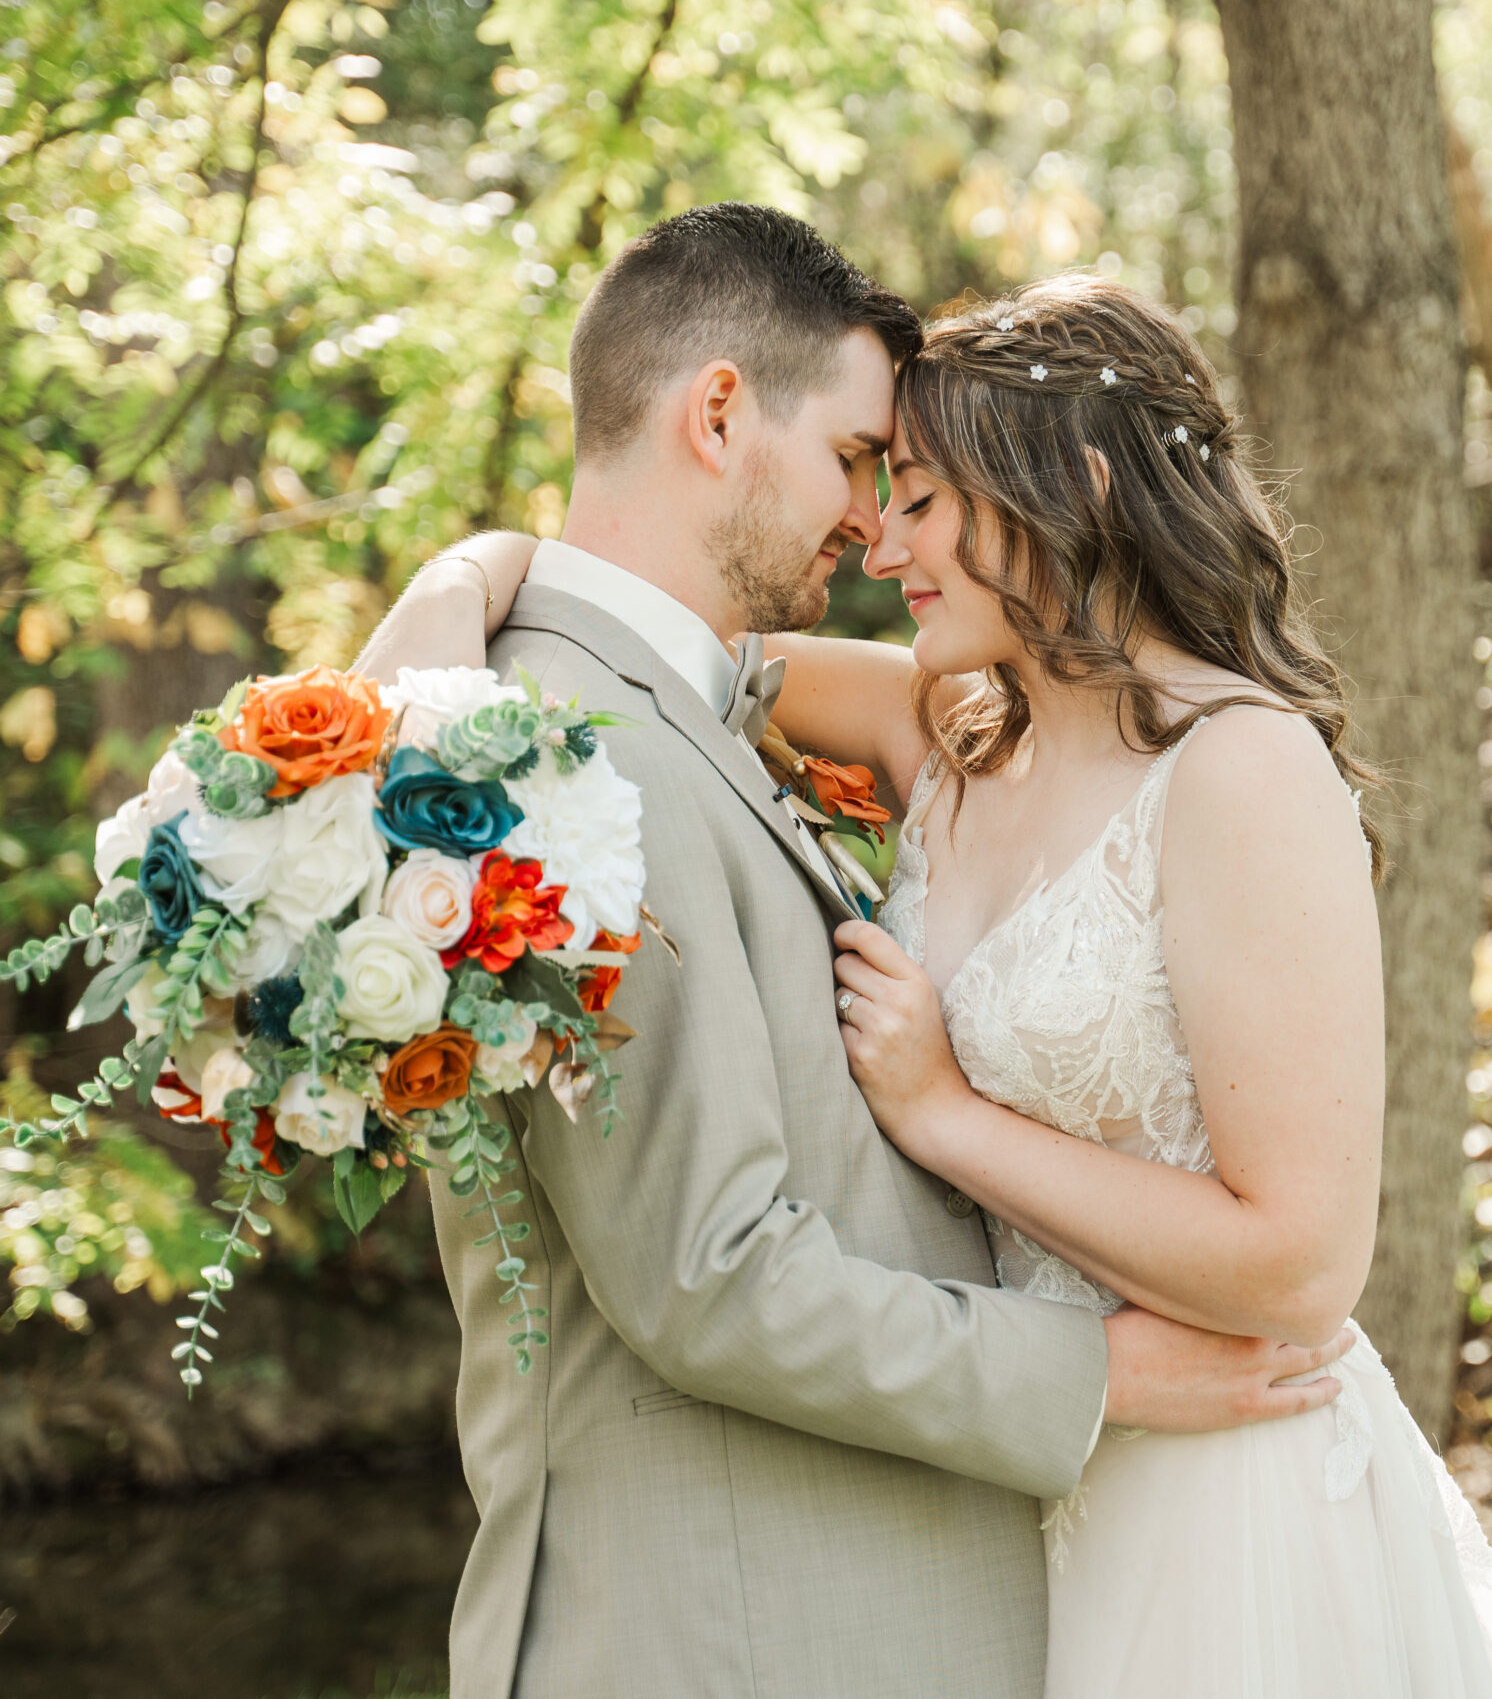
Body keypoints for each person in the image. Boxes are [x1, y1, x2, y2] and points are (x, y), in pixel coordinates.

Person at [358, 204, 1354, 1699]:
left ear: (1065, 496)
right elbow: (707, 1273)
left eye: (919, 495)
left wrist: (492, 580)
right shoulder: (576, 754)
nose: (877, 533)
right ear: (716, 414)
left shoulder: (830, 717)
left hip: (1133, 1509)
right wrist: (475, 578)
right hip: (764, 1612)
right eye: (856, 466)